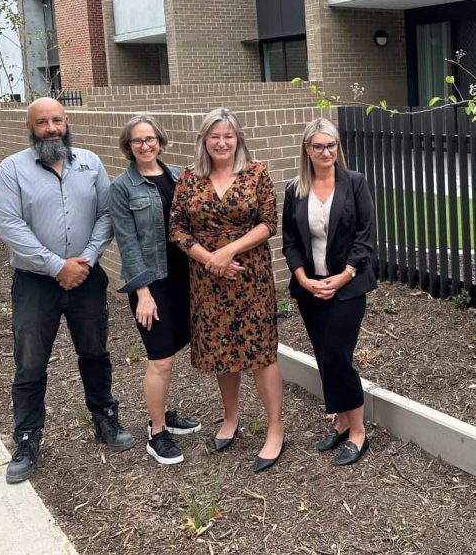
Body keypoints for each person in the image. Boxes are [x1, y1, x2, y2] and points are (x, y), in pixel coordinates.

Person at [0, 97, 135, 485]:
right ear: (30, 126)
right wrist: (57, 266)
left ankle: (105, 420)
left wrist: (85, 260)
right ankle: (26, 439)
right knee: (31, 363)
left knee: (95, 352)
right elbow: (9, 226)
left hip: (86, 278)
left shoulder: (89, 163)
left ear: (66, 121)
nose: (51, 128)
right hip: (36, 284)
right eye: (42, 122)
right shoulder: (12, 170)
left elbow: (108, 214)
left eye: (57, 120)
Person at [169, 108, 286, 472]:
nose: (222, 142)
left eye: (229, 136)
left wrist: (228, 251)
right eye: (215, 136)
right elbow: (177, 228)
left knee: (261, 352)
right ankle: (231, 417)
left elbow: (269, 223)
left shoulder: (257, 174)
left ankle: (275, 427)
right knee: (222, 350)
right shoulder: (189, 178)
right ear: (204, 139)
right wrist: (209, 259)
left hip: (249, 276)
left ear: (238, 140)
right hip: (208, 280)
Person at [108, 114, 204, 466]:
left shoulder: (180, 176)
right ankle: (157, 431)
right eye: (138, 141)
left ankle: (164, 412)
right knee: (160, 358)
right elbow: (127, 244)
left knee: (171, 354)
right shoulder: (122, 188)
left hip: (186, 278)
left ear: (160, 141)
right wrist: (143, 293)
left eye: (150, 139)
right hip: (152, 282)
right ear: (128, 147)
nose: (145, 146)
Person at [282, 118, 376, 466]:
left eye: (331, 146)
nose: (325, 152)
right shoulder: (295, 189)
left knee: (338, 355)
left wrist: (344, 275)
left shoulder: (354, 183)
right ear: (307, 149)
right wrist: (303, 278)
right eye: (318, 146)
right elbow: (290, 241)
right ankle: (339, 421)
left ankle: (358, 432)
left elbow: (365, 236)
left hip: (348, 288)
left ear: (338, 148)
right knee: (324, 355)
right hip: (310, 289)